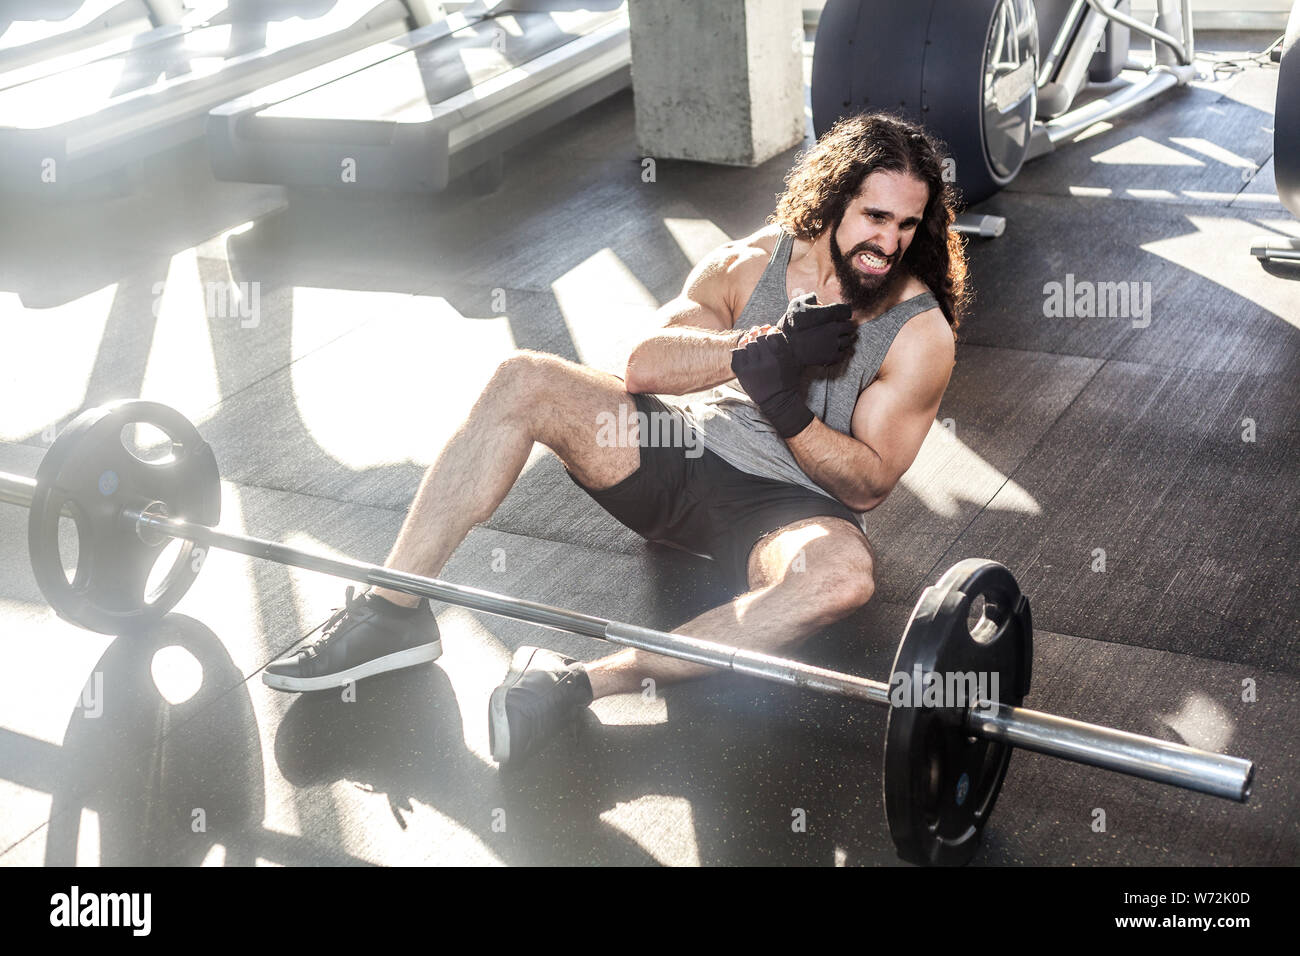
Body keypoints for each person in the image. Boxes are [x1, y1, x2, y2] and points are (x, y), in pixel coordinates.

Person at [263, 112, 968, 768]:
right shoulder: (753, 263)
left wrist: (791, 413)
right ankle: (392, 611)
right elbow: (641, 362)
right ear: (834, 198)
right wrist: (762, 347)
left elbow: (869, 485)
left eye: (907, 225)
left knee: (843, 579)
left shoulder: (917, 330)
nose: (888, 243)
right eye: (875, 216)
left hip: (789, 510)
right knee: (523, 378)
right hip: (682, 457)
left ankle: (583, 680)